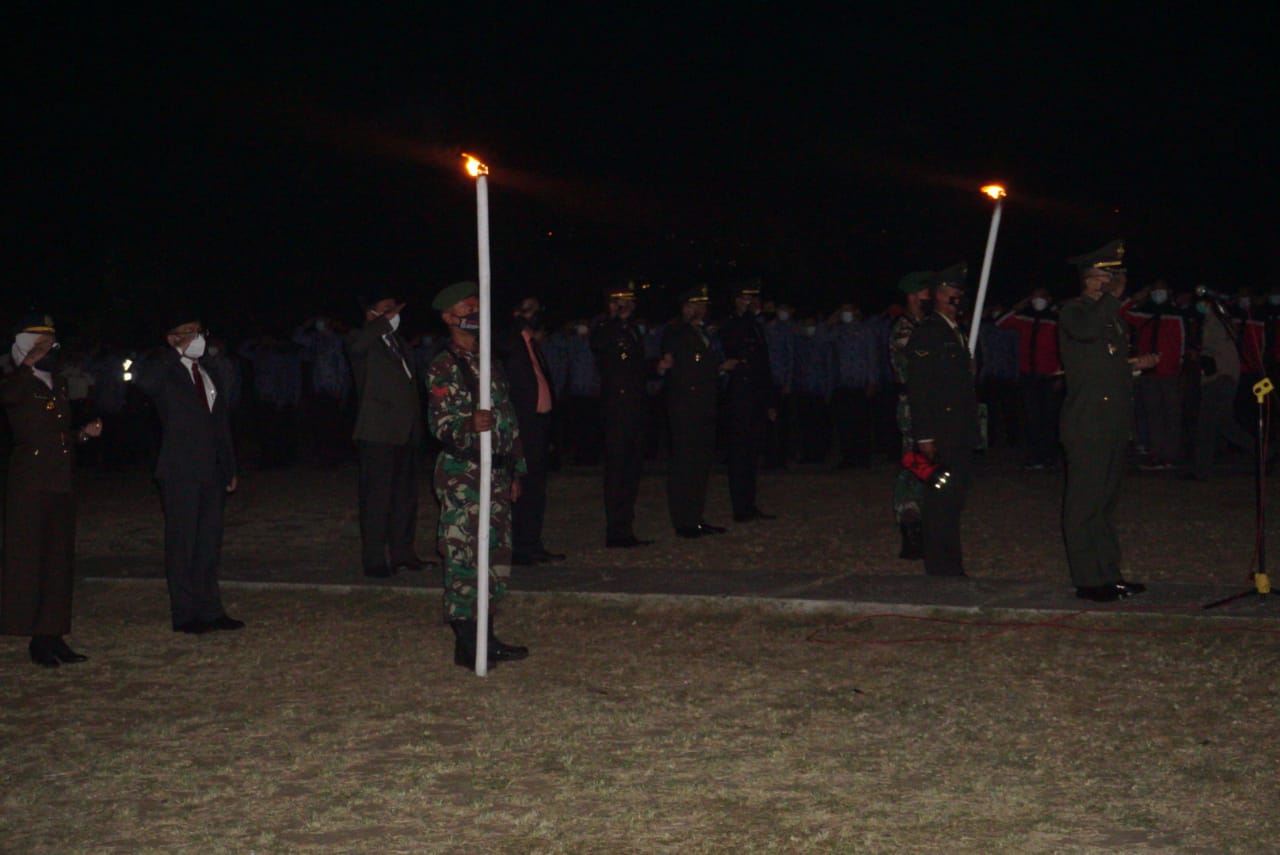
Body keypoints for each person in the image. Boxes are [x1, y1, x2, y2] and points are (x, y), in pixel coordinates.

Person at [425, 281, 528, 669]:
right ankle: (468, 642)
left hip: (497, 473)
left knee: (496, 557)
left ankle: (487, 635)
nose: (474, 315)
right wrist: (468, 423)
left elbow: (509, 418)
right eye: (466, 309)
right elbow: (439, 424)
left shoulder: (488, 360)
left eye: (477, 307)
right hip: (463, 473)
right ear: (449, 318)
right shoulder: (443, 365)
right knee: (464, 556)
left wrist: (515, 468)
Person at [1059, 240, 1157, 601]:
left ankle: (1108, 573)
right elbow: (1085, 332)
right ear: (1090, 279)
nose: (1116, 283)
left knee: (1104, 504)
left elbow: (1101, 366)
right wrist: (1112, 298)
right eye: (1108, 276)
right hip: (1088, 422)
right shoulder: (1074, 312)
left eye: (1117, 277)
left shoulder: (1110, 320)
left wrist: (1133, 366)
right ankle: (1088, 579)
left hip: (1112, 421)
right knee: (1085, 503)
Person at [2, 314, 102, 665]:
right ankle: (33, 636)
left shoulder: (55, 381)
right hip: (31, 481)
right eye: (40, 344)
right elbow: (9, 400)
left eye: (50, 344)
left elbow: (58, 432)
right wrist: (23, 367)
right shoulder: (16, 382)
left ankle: (53, 633)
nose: (48, 350)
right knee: (31, 558)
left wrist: (82, 435)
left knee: (58, 559)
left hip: (60, 479)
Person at [135, 314, 243, 633]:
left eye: (199, 331)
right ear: (171, 338)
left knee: (209, 542)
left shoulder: (208, 370)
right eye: (188, 333)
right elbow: (145, 384)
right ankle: (185, 613)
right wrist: (175, 353)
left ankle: (211, 608)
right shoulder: (164, 369)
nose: (197, 337)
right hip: (180, 468)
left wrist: (230, 466)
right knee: (183, 542)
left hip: (212, 467)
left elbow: (221, 421)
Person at [347, 292, 431, 578]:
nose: (395, 314)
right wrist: (380, 323)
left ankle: (402, 554)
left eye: (395, 309)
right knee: (376, 499)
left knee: (404, 498)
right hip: (378, 432)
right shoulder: (362, 339)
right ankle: (374, 559)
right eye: (388, 309)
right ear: (371, 313)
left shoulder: (399, 344)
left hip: (406, 432)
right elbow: (357, 346)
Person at [905, 263, 978, 577]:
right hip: (939, 429)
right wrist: (924, 436)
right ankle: (940, 566)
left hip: (960, 427)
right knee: (939, 498)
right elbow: (920, 387)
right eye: (949, 290)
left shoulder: (957, 330)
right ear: (935, 294)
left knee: (954, 498)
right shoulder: (928, 332)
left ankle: (952, 563)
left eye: (959, 290)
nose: (955, 295)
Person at [501, 295, 565, 565]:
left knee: (536, 487)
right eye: (529, 310)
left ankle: (532, 543)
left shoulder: (532, 343)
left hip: (538, 425)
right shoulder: (509, 342)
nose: (535, 315)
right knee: (521, 486)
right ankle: (519, 547)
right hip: (521, 425)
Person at [590, 282, 655, 547]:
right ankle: (616, 531)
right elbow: (599, 346)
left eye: (629, 301)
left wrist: (656, 367)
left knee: (631, 469)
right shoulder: (607, 329)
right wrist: (614, 318)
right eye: (619, 301)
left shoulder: (633, 331)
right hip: (616, 410)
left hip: (635, 408)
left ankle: (625, 528)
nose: (625, 306)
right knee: (618, 471)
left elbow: (635, 368)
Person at [660, 286, 728, 537]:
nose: (700, 309)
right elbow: (680, 369)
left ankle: (695, 516)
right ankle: (684, 520)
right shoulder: (677, 331)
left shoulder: (703, 333)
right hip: (685, 407)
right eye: (694, 304)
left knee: (700, 464)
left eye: (703, 305)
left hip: (704, 406)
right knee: (684, 463)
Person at [717, 281, 777, 521]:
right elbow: (732, 346)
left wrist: (769, 401)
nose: (750, 302)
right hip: (739, 394)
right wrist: (746, 315)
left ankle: (749, 504)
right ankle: (740, 507)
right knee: (740, 453)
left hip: (755, 394)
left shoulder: (756, 326)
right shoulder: (733, 323)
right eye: (745, 298)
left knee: (752, 453)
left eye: (752, 298)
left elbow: (763, 366)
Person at [890, 272, 935, 559]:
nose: (928, 298)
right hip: (913, 404)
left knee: (926, 465)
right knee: (914, 464)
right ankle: (910, 525)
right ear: (912, 295)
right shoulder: (904, 329)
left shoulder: (924, 325)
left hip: (928, 402)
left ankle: (921, 520)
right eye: (924, 293)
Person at [1187, 295, 1255, 480]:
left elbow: (1213, 353)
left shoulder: (1214, 323)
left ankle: (1201, 470)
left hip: (1219, 377)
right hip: (1227, 375)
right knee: (1225, 424)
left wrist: (1199, 357)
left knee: (1206, 425)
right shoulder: (1224, 322)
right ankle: (1263, 454)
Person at [1121, 279, 1187, 469]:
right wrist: (1135, 298)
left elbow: (1182, 342)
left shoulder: (1176, 314)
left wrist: (1179, 367)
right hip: (1148, 371)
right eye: (1155, 290)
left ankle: (1171, 455)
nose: (1159, 293)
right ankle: (1156, 454)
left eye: (1162, 290)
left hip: (1170, 371)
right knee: (1153, 415)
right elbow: (1120, 313)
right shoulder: (1144, 313)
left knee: (1172, 415)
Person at [998, 288, 1064, 469]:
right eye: (1035, 296)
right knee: (1031, 417)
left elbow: (1064, 348)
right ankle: (1035, 456)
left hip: (1050, 375)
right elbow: (1001, 322)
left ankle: (1049, 456)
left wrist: (1061, 374)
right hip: (1028, 375)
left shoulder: (1056, 319)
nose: (1038, 300)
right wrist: (1018, 306)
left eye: (1042, 296)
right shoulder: (1024, 318)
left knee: (1050, 418)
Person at [827, 302, 879, 469]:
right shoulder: (838, 330)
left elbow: (872, 356)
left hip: (860, 383)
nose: (845, 313)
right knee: (844, 424)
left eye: (848, 309)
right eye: (843, 310)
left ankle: (862, 458)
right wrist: (830, 321)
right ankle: (848, 458)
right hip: (842, 383)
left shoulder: (865, 330)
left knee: (861, 423)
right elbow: (820, 341)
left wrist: (872, 381)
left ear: (856, 311)